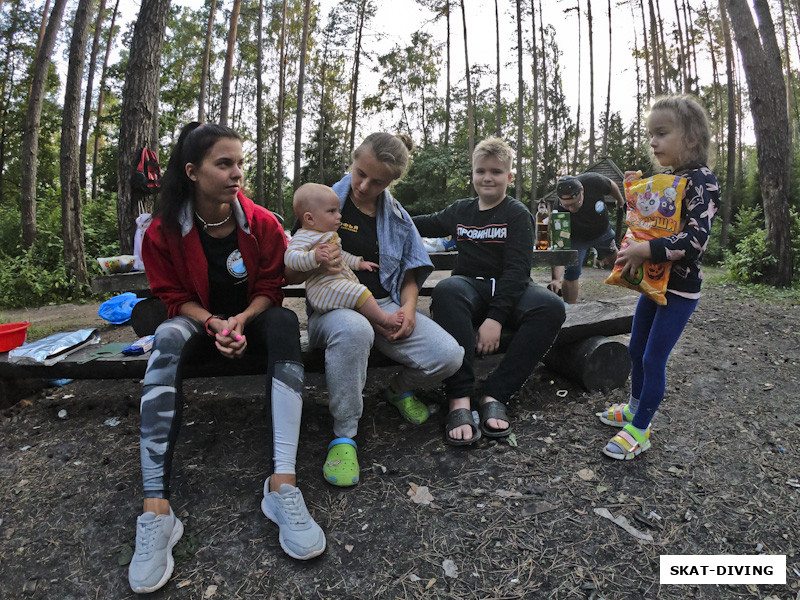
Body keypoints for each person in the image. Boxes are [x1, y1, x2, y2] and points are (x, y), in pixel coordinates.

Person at [130, 123, 325, 594]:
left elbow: (270, 289)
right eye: (224, 164)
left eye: (240, 162)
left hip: (249, 322)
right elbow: (171, 296)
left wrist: (239, 319)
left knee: (280, 322)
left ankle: (282, 487)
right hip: (198, 326)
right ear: (193, 172)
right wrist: (214, 323)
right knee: (166, 334)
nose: (237, 173)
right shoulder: (162, 230)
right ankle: (156, 509)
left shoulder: (260, 223)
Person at [284, 133, 463, 487]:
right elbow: (288, 270)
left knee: (449, 355)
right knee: (356, 329)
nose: (364, 185)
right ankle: (344, 435)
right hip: (333, 310)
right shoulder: (324, 200)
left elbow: (412, 269)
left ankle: (397, 390)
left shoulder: (397, 216)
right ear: (353, 161)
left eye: (377, 181)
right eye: (359, 172)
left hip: (386, 305)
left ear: (391, 181)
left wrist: (409, 310)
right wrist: (314, 261)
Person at [413, 137, 566, 445]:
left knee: (551, 307)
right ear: (472, 174)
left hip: (512, 289)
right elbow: (420, 224)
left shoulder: (517, 214)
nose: (487, 177)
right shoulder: (461, 211)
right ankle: (460, 397)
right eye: (481, 170)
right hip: (470, 287)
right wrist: (381, 214)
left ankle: (496, 392)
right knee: (447, 290)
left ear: (509, 177)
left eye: (496, 172)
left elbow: (516, 271)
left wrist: (495, 319)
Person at [596, 94, 719, 460]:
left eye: (661, 133)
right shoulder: (669, 179)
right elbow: (651, 222)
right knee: (635, 348)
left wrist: (645, 251)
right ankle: (634, 407)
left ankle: (641, 428)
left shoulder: (702, 181)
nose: (652, 142)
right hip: (652, 282)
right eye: (651, 134)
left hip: (679, 290)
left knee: (653, 358)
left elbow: (696, 239)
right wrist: (635, 195)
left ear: (692, 138)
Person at [285, 183, 404, 337]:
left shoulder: (326, 235)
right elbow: (290, 258)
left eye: (338, 210)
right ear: (310, 218)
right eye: (331, 211)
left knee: (359, 303)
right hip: (323, 291)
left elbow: (341, 255)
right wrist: (312, 257)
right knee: (360, 292)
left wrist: (358, 263)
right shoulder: (304, 236)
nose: (339, 215)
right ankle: (385, 319)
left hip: (334, 287)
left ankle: (380, 329)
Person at [548, 173, 625, 303]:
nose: (572, 209)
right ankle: (571, 312)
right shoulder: (558, 210)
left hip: (602, 231)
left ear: (582, 191)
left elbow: (611, 185)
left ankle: (639, 290)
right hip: (577, 238)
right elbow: (560, 248)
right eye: (567, 206)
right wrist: (555, 279)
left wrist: (620, 200)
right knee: (571, 273)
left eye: (575, 203)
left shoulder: (593, 181)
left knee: (617, 262)